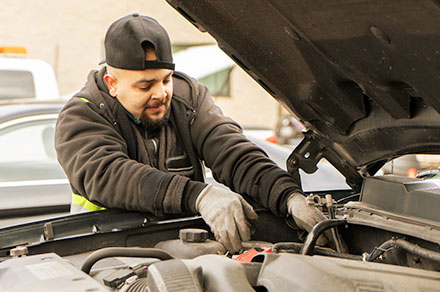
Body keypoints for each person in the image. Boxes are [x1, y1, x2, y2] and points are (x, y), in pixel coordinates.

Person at [55, 13, 328, 253]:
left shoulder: (188, 100)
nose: (160, 93)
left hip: (183, 245)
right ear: (111, 83)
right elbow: (108, 175)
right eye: (145, 86)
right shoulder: (82, 114)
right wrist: (199, 196)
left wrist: (288, 197)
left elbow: (232, 152)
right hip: (107, 251)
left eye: (165, 79)